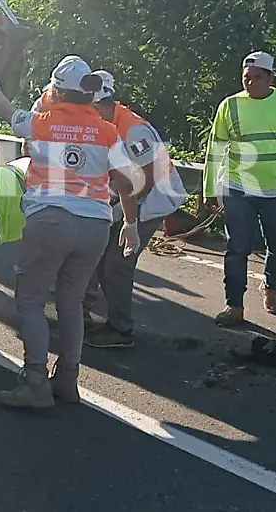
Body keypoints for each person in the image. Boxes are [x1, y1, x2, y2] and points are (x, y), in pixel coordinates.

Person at [0, 55, 142, 409]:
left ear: (57, 90)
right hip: (96, 226)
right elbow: (128, 183)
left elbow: (9, 113)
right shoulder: (106, 130)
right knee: (71, 302)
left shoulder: (42, 123)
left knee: (32, 300)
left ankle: (35, 382)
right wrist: (130, 225)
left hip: (51, 221)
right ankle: (67, 380)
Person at [202, 51, 276, 326]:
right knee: (237, 246)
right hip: (238, 187)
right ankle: (234, 304)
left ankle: (270, 287)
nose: (250, 83)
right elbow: (215, 149)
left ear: (270, 78)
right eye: (246, 78)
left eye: (257, 77)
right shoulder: (229, 106)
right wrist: (209, 189)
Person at [82, 70, 188, 349]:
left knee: (117, 264)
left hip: (150, 201)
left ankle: (120, 330)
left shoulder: (132, 129)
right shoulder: (108, 122)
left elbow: (146, 179)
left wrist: (120, 209)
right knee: (101, 258)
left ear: (99, 105)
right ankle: (94, 318)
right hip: (128, 198)